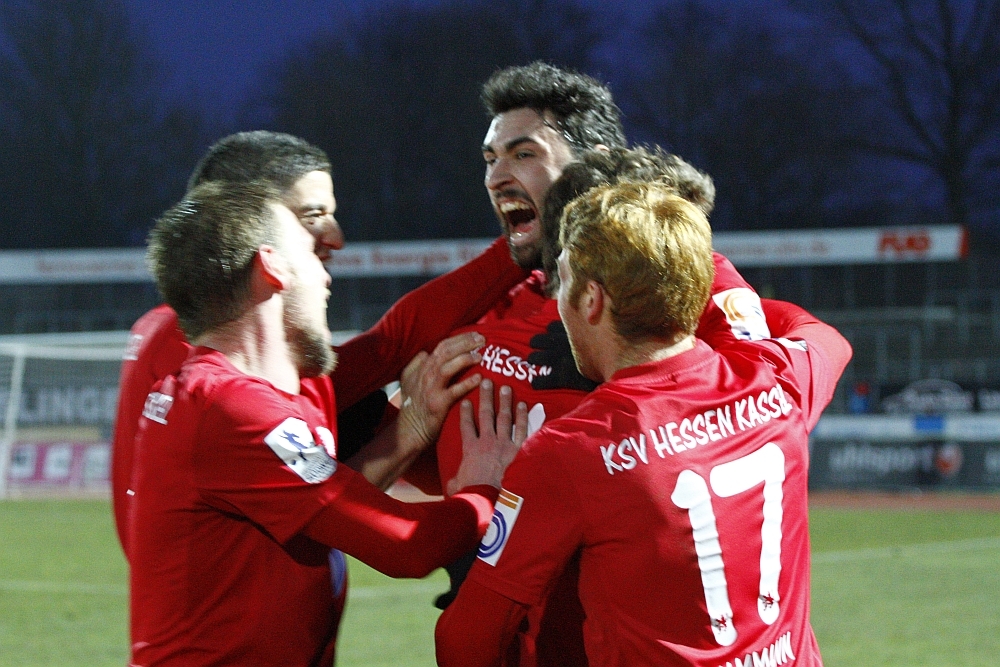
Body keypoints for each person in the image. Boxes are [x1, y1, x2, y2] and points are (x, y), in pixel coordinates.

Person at [435, 182, 852, 666]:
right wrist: (694, 277)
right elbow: (827, 339)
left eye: (563, 284)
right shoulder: (778, 378)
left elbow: (463, 643)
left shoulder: (571, 451)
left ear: (592, 300)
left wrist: (481, 502)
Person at [129, 180, 527, 666]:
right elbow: (408, 546)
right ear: (273, 267)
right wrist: (485, 491)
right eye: (311, 252)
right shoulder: (231, 409)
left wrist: (414, 428)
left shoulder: (226, 393)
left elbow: (317, 512)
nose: (325, 274)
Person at [111, 131, 527, 558]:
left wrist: (412, 429)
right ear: (244, 222)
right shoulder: (200, 356)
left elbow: (321, 502)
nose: (335, 237)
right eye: (310, 216)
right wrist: (523, 243)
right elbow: (389, 347)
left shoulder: (227, 349)